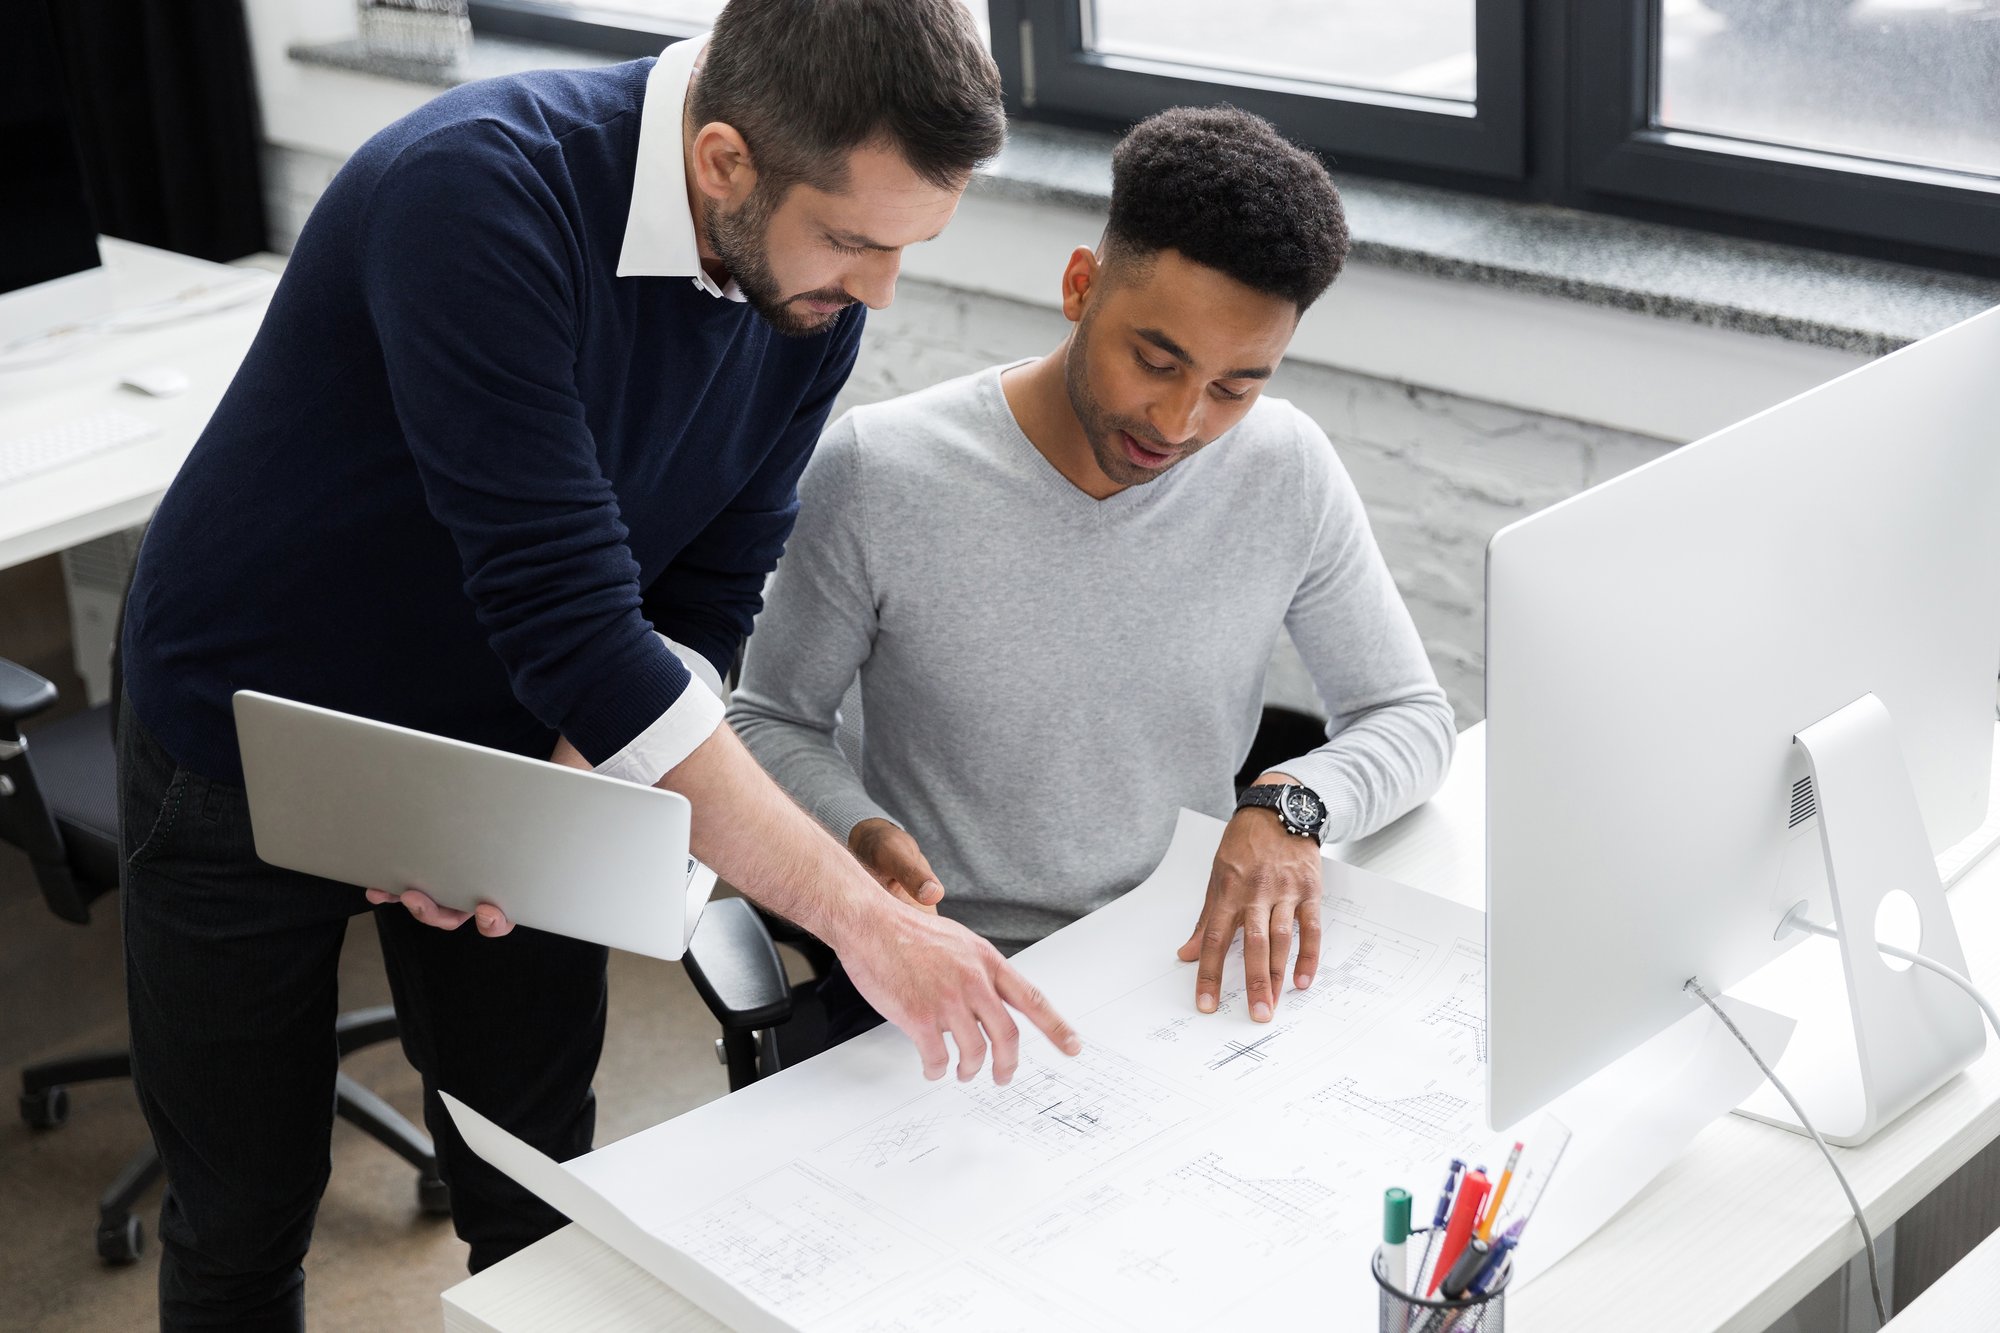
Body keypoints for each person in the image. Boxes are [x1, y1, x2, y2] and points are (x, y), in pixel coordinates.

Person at [117, 1, 1078, 1325]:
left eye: (905, 247)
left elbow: (701, 592)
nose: (877, 291)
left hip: (515, 740)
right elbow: (573, 623)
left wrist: (566, 804)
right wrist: (862, 921)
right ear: (724, 163)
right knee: (240, 1213)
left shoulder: (805, 292)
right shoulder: (473, 195)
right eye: (856, 239)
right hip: (249, 720)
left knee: (540, 1195)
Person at [729, 105, 1457, 1053]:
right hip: (949, 964)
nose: (1182, 420)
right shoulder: (880, 472)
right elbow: (768, 720)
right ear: (1081, 286)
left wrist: (1290, 809)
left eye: (1238, 385)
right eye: (1156, 359)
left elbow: (1410, 714)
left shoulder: (1285, 468)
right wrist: (857, 828)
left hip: (1179, 957)